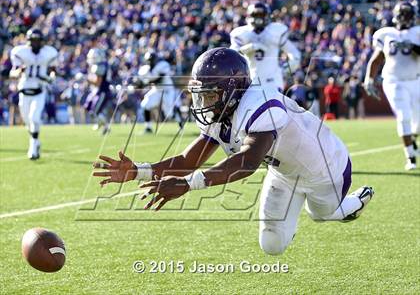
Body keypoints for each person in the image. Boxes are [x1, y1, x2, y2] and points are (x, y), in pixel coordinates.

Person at [93, 48, 374, 256]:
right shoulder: (223, 112)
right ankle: (293, 213)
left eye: (210, 95)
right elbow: (188, 159)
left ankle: (353, 202)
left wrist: (187, 185)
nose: (204, 102)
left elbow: (248, 161)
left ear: (232, 90)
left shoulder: (261, 103)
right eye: (200, 95)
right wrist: (138, 171)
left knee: (321, 214)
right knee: (272, 245)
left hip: (325, 168)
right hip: (284, 171)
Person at [364, 1, 420, 170]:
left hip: (416, 80)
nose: (407, 18)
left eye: (409, 15)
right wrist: (369, 79)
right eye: (405, 15)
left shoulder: (417, 33)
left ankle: (412, 140)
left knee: (417, 122)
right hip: (393, 81)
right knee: (404, 116)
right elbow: (377, 59)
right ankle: (410, 156)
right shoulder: (386, 34)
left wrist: (414, 47)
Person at [230, 2, 301, 93]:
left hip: (272, 81)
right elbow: (233, 55)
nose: (259, 18)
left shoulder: (275, 31)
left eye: (262, 15)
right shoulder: (241, 33)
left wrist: (283, 70)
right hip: (252, 81)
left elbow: (295, 55)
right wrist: (250, 47)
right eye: (256, 15)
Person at [10, 28, 58, 159]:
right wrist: (19, 71)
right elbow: (12, 72)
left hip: (39, 92)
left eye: (38, 41)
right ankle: (36, 142)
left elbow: (53, 71)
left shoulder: (49, 52)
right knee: (28, 122)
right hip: (24, 92)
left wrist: (50, 78)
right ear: (28, 41)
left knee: (34, 118)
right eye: (33, 41)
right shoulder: (20, 52)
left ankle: (33, 147)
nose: (35, 44)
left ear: (42, 42)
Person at [134, 50, 182, 133]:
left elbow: (160, 78)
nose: (150, 62)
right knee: (145, 105)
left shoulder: (162, 65)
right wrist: (138, 84)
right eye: (149, 60)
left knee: (169, 115)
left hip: (167, 90)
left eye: (151, 60)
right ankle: (148, 127)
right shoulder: (144, 69)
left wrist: (146, 83)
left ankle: (180, 124)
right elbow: (141, 82)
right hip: (157, 90)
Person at [83, 48, 113, 134]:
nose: (91, 59)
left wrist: (86, 79)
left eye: (93, 57)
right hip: (97, 91)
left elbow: (97, 83)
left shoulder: (101, 66)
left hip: (103, 91)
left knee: (95, 111)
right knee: (88, 106)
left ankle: (105, 126)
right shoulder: (101, 64)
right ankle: (103, 125)